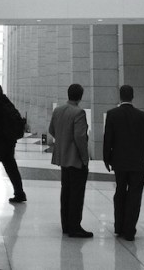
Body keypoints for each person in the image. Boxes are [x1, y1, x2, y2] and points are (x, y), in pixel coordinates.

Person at [103, 85, 144, 242]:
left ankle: (119, 226)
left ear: (119, 96)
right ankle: (129, 230)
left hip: (119, 162)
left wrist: (107, 158)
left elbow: (108, 139)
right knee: (135, 195)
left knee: (120, 192)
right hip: (137, 162)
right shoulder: (142, 116)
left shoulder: (112, 114)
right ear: (133, 96)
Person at [49, 83, 92, 238]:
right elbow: (80, 137)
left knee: (65, 191)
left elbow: (51, 130)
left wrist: (62, 141)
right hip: (76, 159)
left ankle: (66, 224)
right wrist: (85, 158)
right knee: (76, 193)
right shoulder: (78, 112)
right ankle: (75, 226)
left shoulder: (58, 110)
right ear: (80, 96)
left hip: (63, 158)